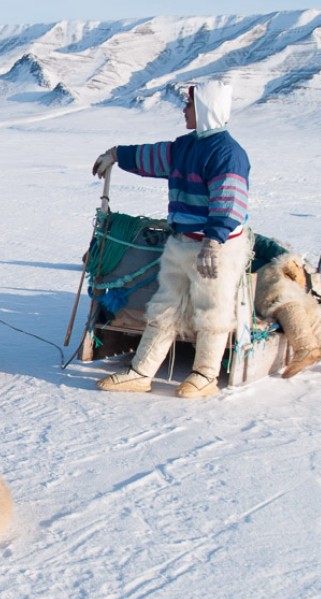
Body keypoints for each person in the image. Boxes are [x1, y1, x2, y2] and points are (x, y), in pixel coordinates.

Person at [91, 80, 252, 398]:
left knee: (212, 308)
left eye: (189, 105)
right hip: (181, 242)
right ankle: (141, 372)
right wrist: (116, 155)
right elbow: (154, 155)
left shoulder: (227, 154)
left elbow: (229, 201)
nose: (184, 110)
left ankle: (205, 375)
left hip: (214, 247)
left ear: (205, 109)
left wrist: (214, 240)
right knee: (165, 306)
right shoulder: (186, 147)